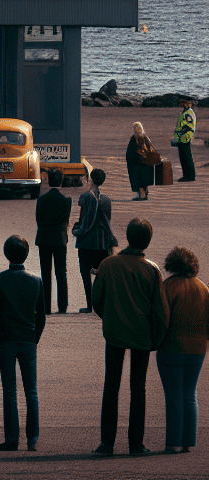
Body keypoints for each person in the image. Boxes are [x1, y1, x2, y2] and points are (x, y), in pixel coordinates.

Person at [91, 217, 169, 457]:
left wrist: (110, 316)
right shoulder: (152, 269)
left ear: (127, 236)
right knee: (138, 388)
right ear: (147, 241)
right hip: (142, 334)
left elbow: (97, 300)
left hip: (114, 332)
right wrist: (158, 336)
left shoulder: (108, 264)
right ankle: (136, 443)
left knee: (111, 386)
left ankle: (107, 443)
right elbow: (160, 309)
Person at [0, 234, 45, 451]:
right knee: (32, 391)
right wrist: (34, 339)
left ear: (6, 254)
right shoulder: (36, 280)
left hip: (7, 339)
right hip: (28, 338)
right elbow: (41, 317)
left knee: (10, 391)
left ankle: (12, 438)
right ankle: (32, 439)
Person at [156, 246, 209, 452]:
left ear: (172, 264)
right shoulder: (203, 288)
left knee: (173, 395)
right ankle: (188, 442)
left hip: (171, 347)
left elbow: (162, 318)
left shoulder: (168, 286)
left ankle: (172, 442)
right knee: (189, 393)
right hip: (197, 349)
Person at [74, 168, 117, 313]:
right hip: (104, 242)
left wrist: (76, 231)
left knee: (85, 273)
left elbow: (85, 222)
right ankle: (102, 303)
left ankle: (89, 305)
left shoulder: (87, 197)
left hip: (88, 242)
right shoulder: (106, 199)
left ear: (91, 179)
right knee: (102, 274)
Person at [35, 167, 71, 314]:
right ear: (61, 181)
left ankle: (46, 306)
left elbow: (39, 219)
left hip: (44, 238)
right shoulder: (66, 200)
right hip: (59, 239)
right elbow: (65, 221)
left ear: (49, 180)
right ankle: (62, 306)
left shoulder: (42, 199)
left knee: (45, 272)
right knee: (61, 272)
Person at [125, 122, 157, 200]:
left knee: (138, 180)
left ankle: (141, 195)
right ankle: (144, 194)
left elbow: (130, 153)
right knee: (144, 180)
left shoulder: (134, 138)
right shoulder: (145, 137)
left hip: (138, 164)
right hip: (146, 163)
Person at [173, 100, 197, 181]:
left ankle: (189, 176)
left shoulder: (188, 112)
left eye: (183, 102)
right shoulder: (185, 112)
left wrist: (182, 133)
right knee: (184, 156)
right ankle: (187, 175)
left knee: (186, 156)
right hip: (182, 137)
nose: (181, 104)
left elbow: (189, 125)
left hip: (184, 137)